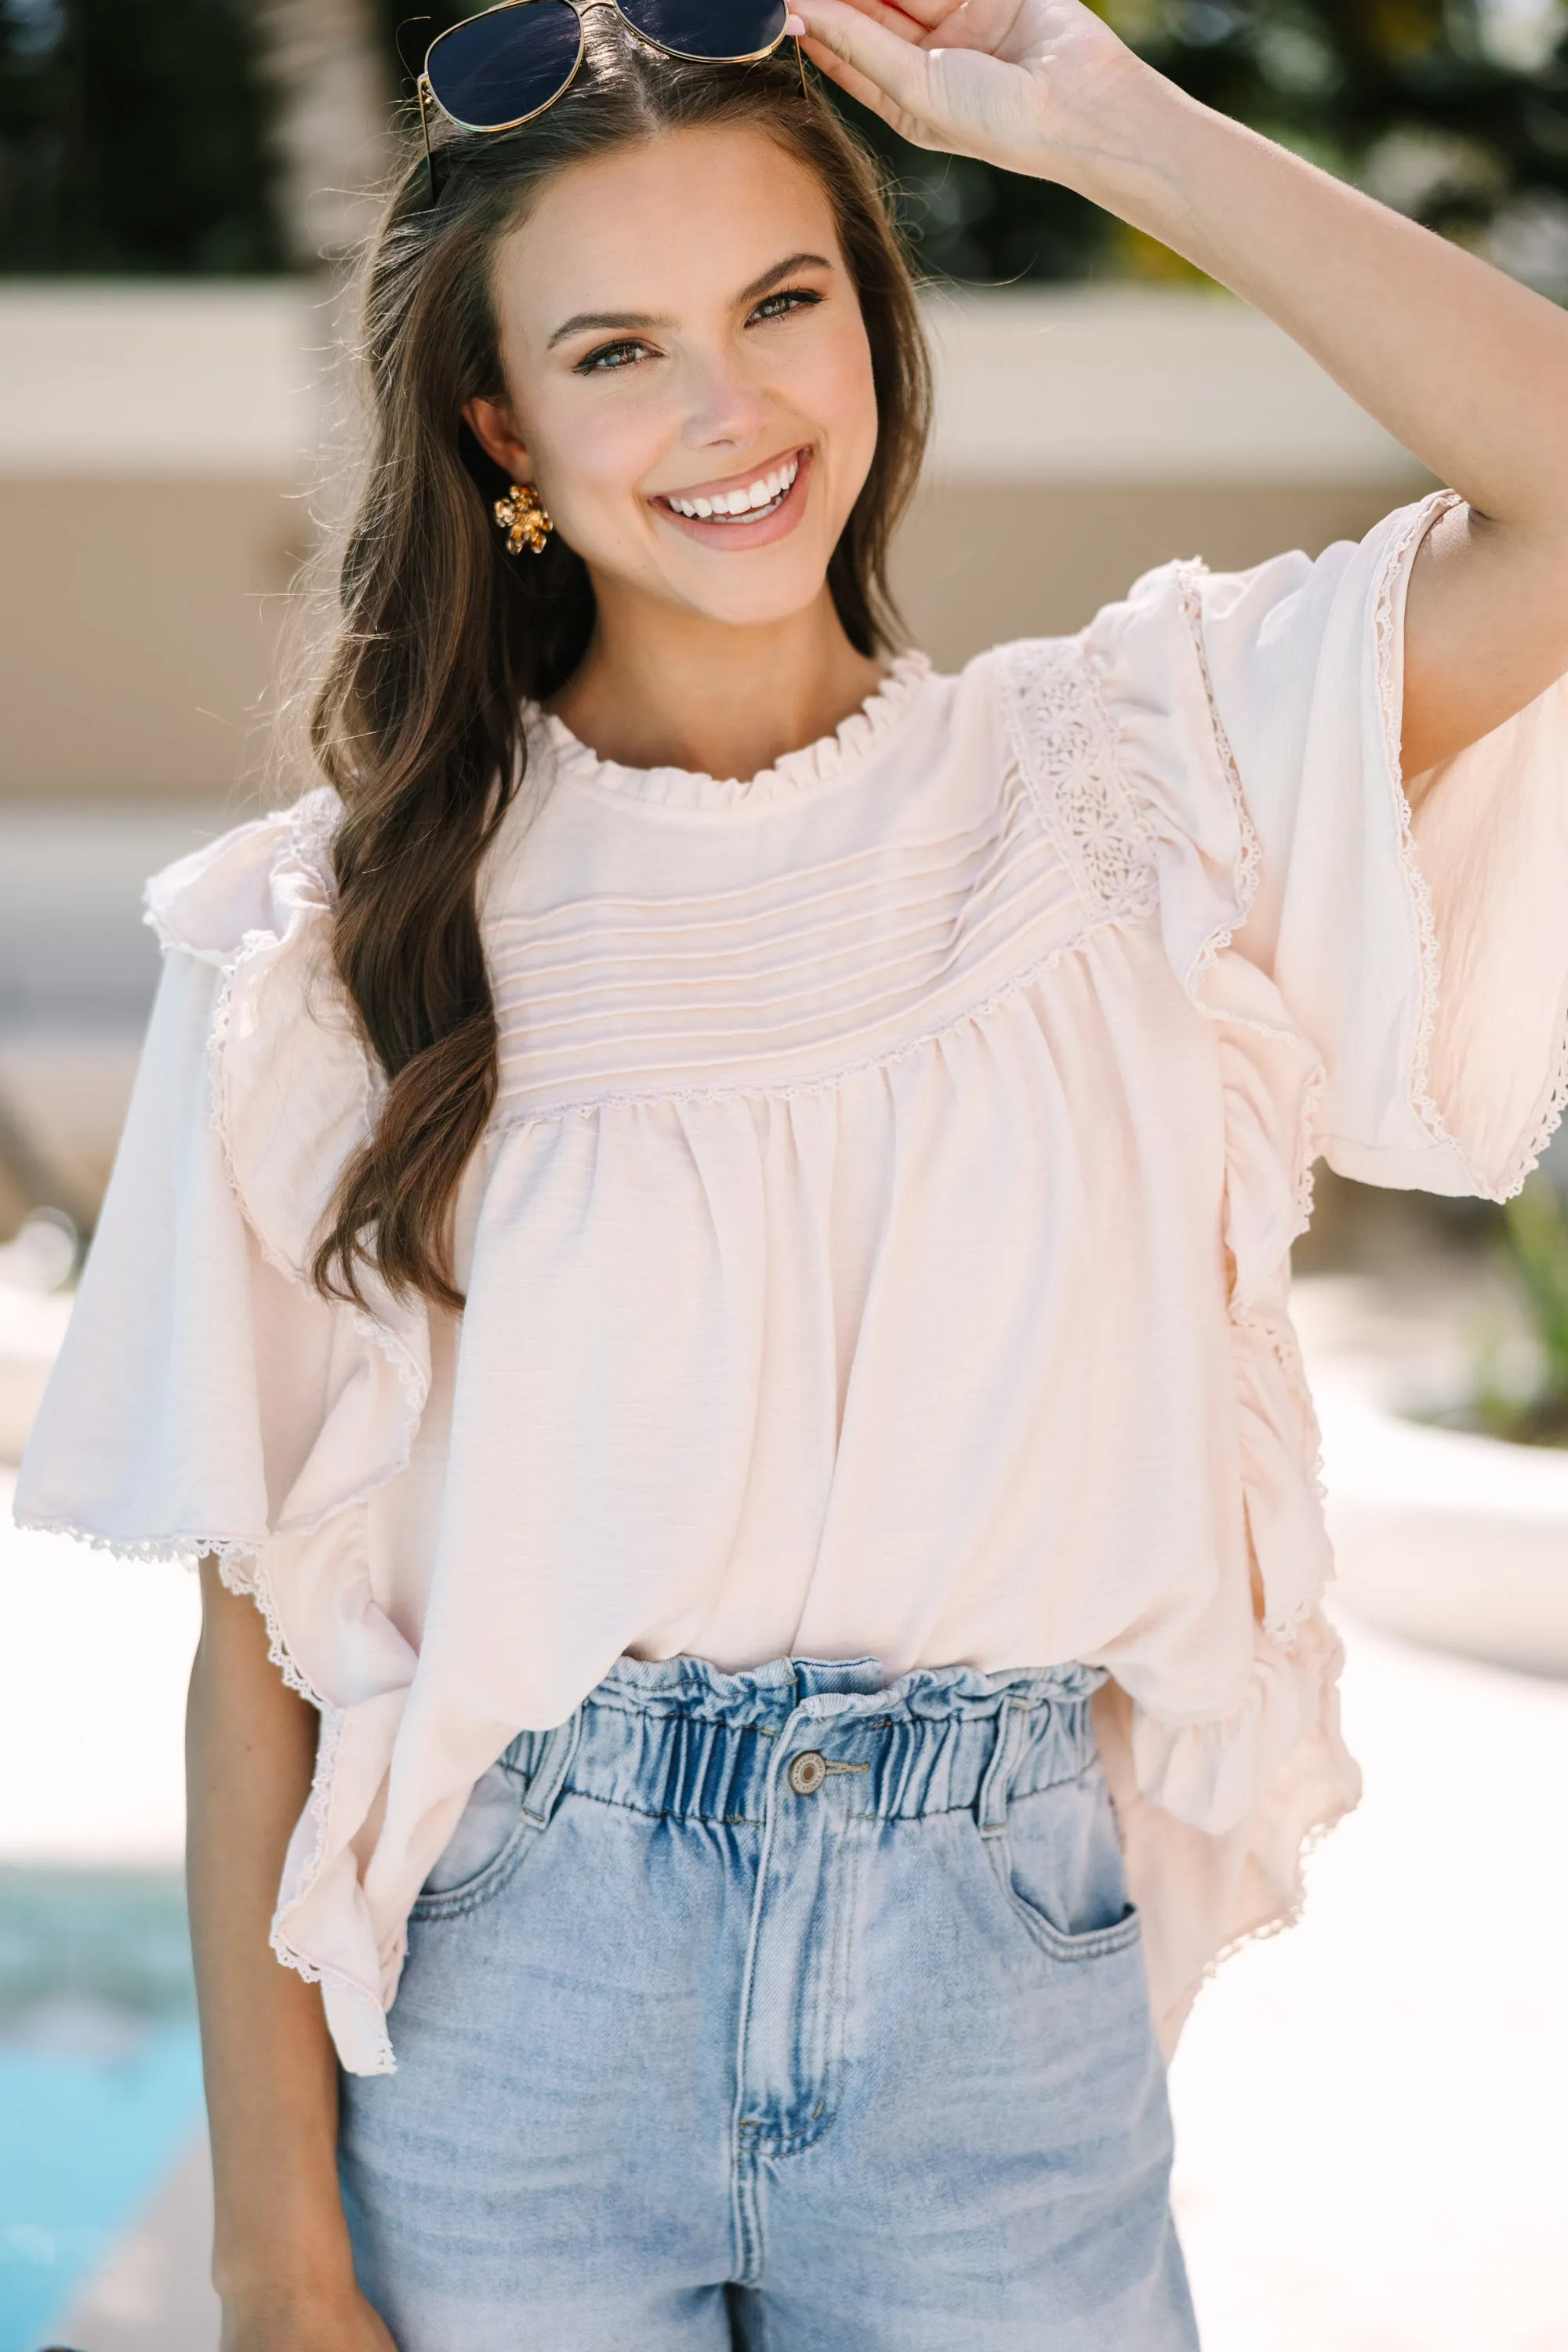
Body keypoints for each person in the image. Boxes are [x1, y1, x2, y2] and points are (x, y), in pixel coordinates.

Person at [17, 0, 1568, 2342]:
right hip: (515, 2011)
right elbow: (257, 1651)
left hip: (997, 2011)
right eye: (618, 351)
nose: (729, 414)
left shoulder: (1139, 782)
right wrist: (274, 2249)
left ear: (876, 318)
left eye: (784, 302)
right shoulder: (340, 944)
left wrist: (1104, 120)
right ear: (500, 428)